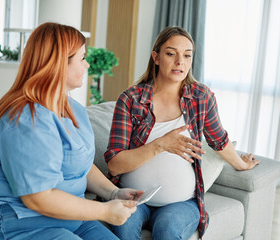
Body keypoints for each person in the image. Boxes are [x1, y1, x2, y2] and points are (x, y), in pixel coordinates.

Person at [0, 22, 143, 240]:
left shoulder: (73, 110)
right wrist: (105, 211)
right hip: (13, 221)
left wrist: (113, 193)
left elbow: (79, 163)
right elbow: (38, 198)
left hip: (68, 217)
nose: (88, 65)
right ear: (59, 64)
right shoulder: (24, 119)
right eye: (82, 58)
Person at [104, 26, 260, 240]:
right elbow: (115, 164)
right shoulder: (131, 99)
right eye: (171, 54)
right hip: (132, 196)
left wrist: (242, 164)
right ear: (156, 57)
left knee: (168, 231)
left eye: (187, 55)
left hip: (181, 203)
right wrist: (161, 144)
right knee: (123, 230)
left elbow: (218, 140)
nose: (180, 62)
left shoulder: (201, 97)